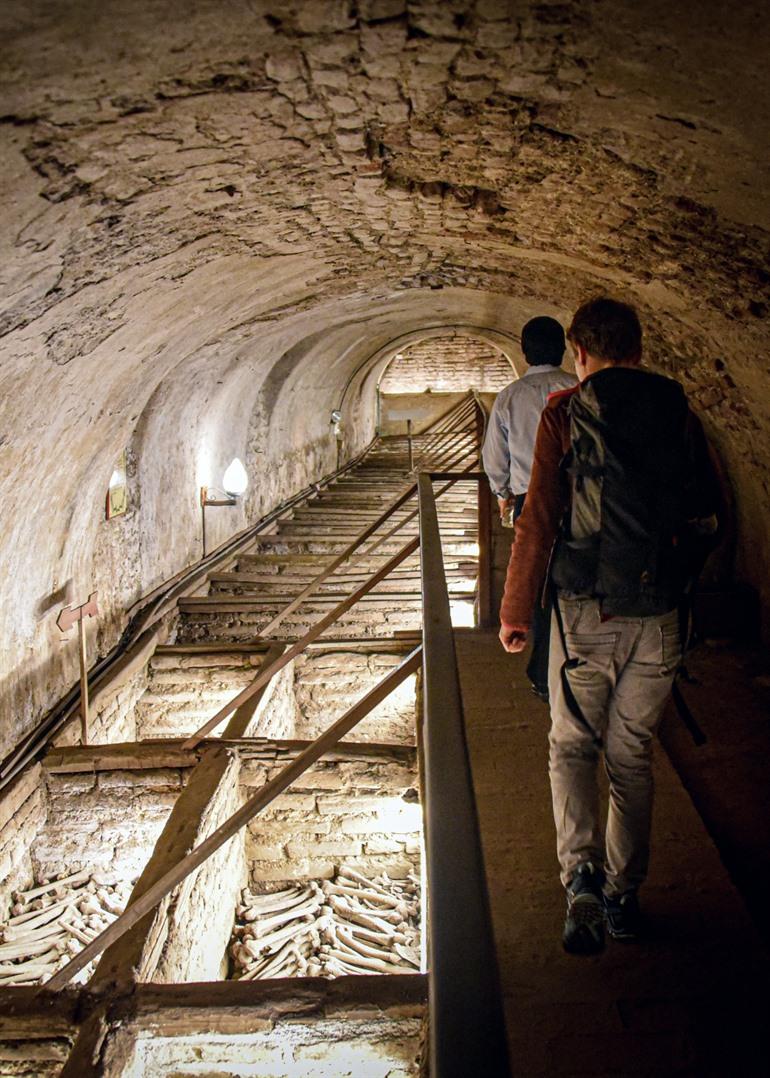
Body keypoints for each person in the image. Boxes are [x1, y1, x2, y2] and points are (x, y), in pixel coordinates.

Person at [498, 297, 720, 955]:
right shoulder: (677, 411)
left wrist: (516, 615)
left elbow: (538, 519)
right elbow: (712, 512)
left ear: (579, 351)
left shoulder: (565, 412)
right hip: (659, 619)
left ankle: (582, 879)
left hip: (584, 609)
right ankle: (625, 897)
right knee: (632, 755)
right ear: (640, 349)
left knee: (572, 745)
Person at [482, 316, 577, 699]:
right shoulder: (578, 387)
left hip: (529, 497)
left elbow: (495, 456)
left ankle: (544, 670)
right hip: (578, 498)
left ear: (524, 350)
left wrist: (502, 492)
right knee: (573, 581)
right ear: (565, 349)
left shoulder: (510, 396)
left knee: (533, 582)